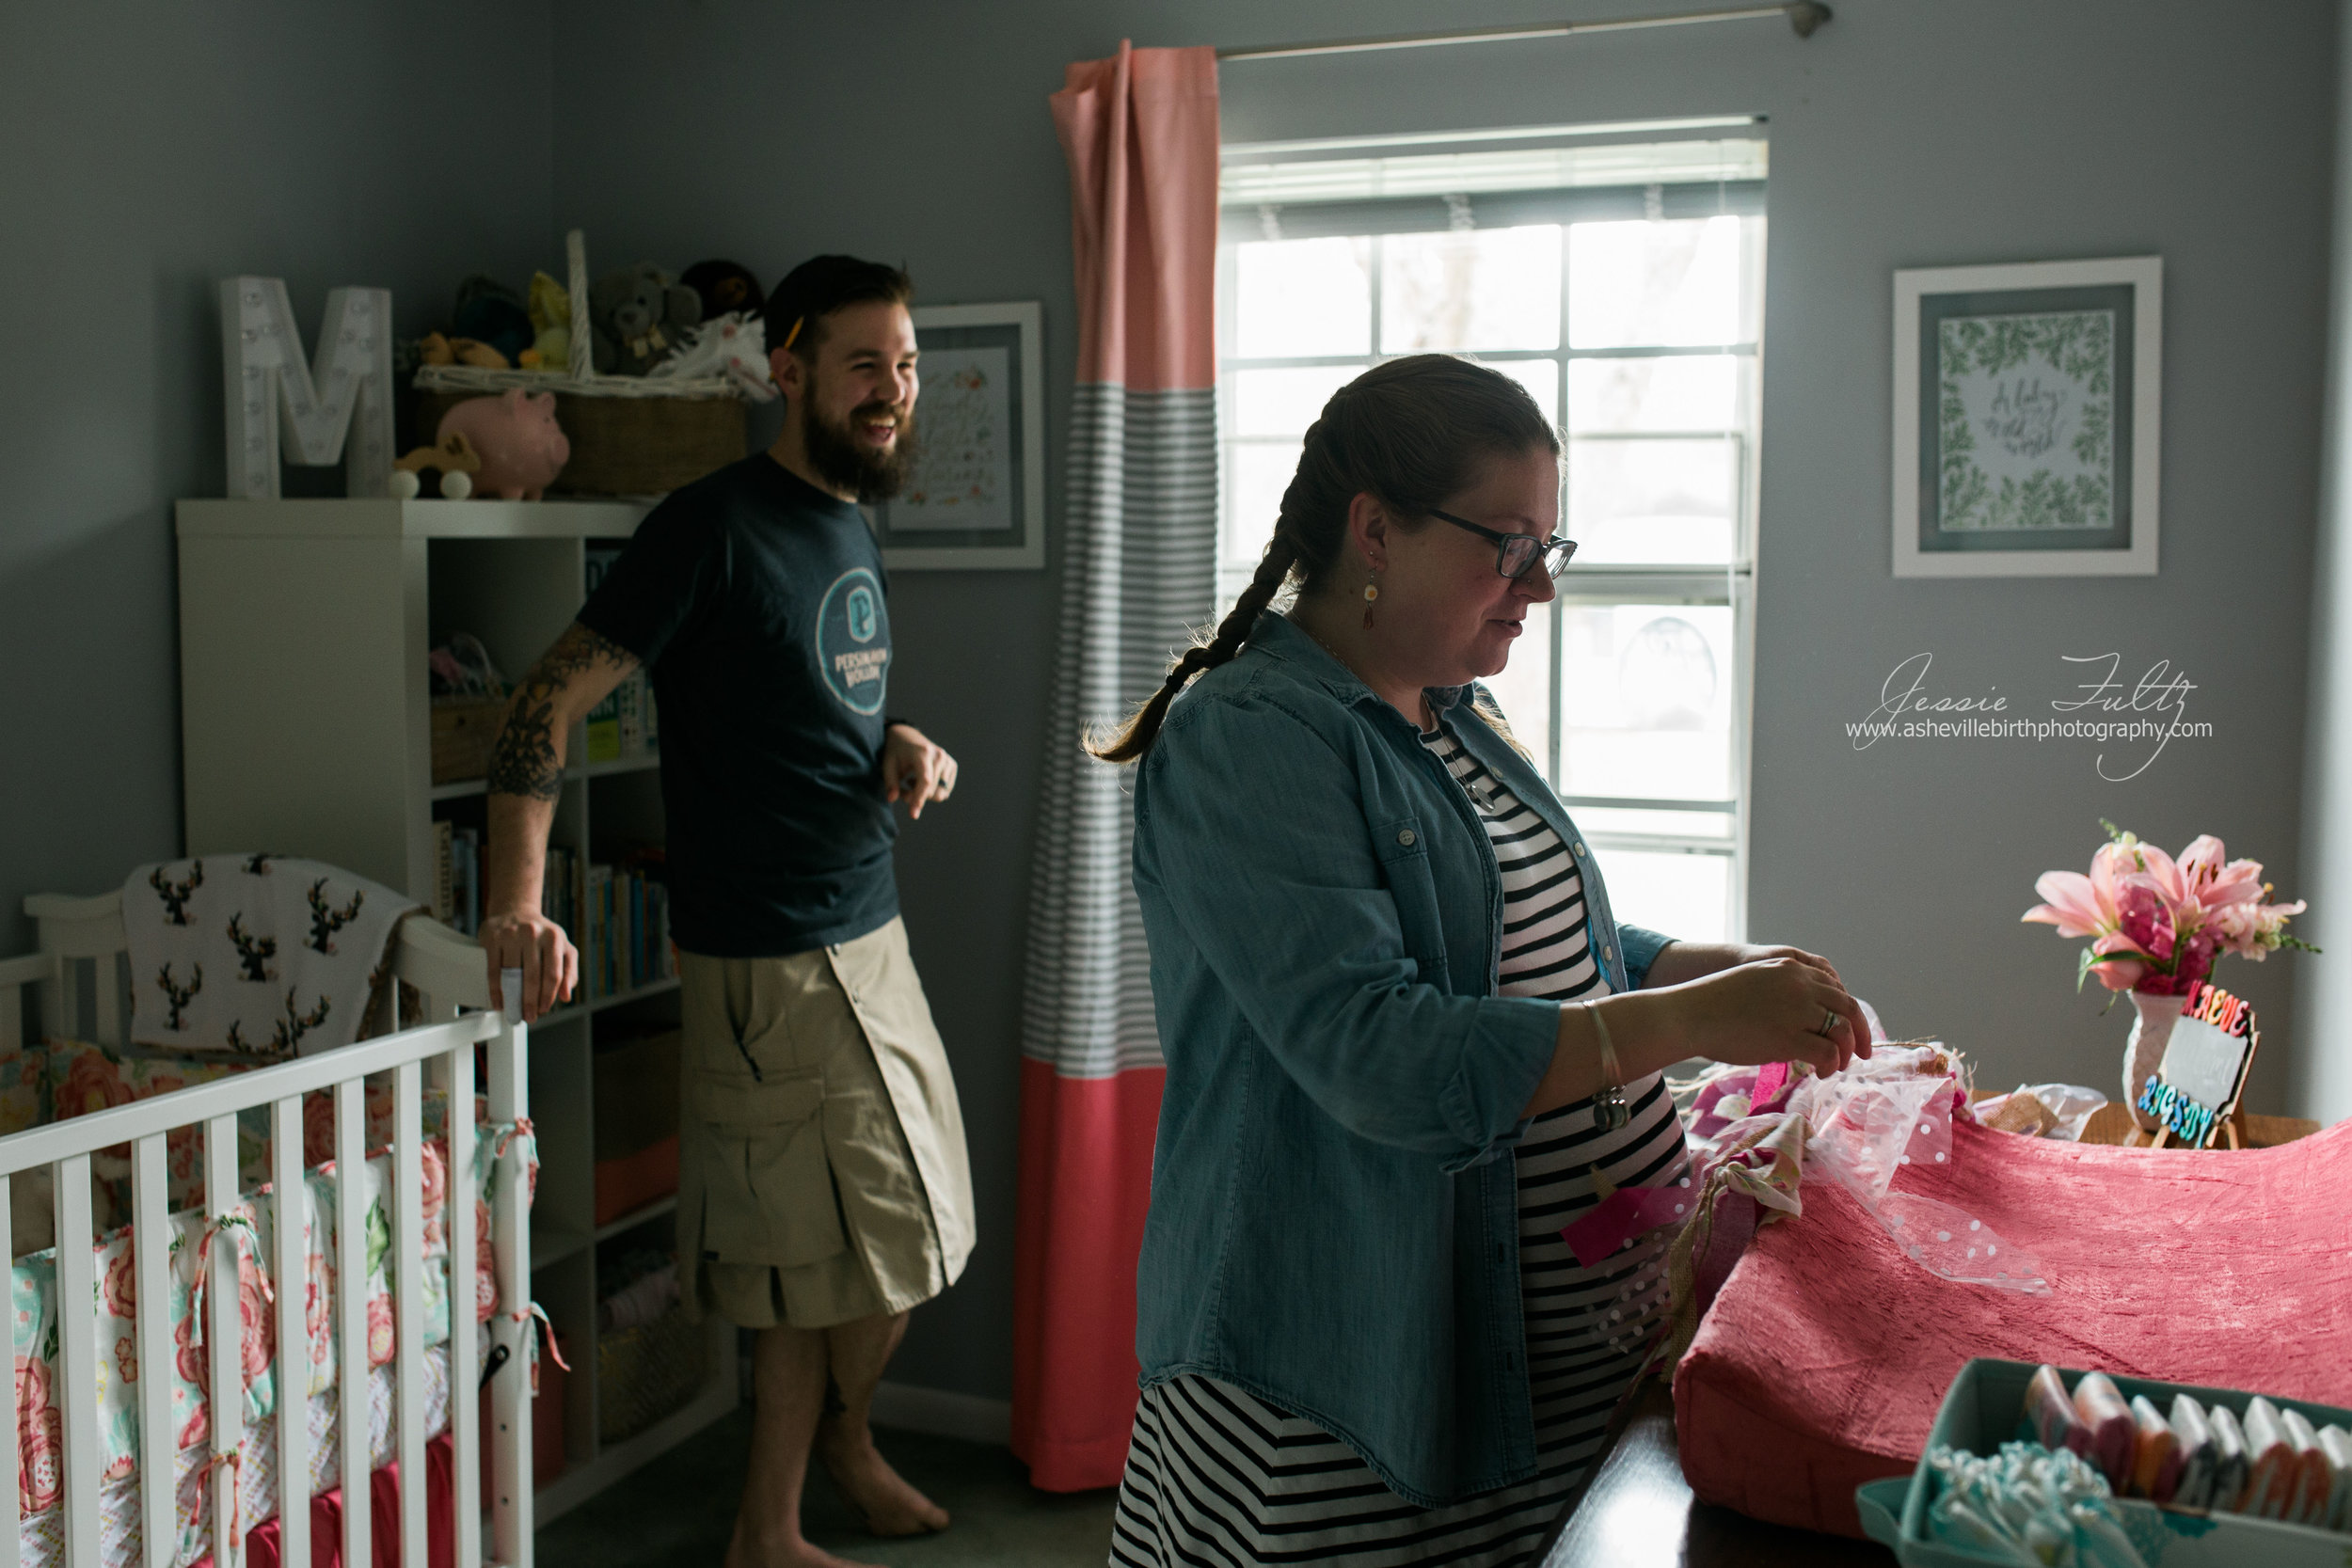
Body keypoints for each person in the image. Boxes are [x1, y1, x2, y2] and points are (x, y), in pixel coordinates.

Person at [1096, 356, 1871, 1567]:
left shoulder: (1449, 709)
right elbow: (1381, 1053)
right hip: (1358, 1380)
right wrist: (1691, 1024)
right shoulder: (1250, 741)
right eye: (1509, 547)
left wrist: (1684, 965)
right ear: (1375, 532)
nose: (1536, 592)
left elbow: (1518, 947)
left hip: (1540, 1371)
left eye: (1549, 552)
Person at [477, 255, 975, 1568]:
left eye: (908, 365)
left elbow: (809, 703)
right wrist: (518, 906)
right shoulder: (710, 523)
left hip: (867, 928)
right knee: (851, 1257)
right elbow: (544, 699)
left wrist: (899, 743)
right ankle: (794, 1503)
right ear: (788, 367)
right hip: (771, 962)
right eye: (866, 364)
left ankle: (807, 1486)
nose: (893, 391)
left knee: (863, 1253)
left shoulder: (848, 519)